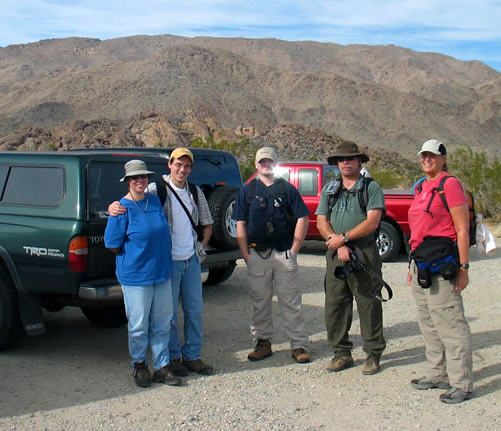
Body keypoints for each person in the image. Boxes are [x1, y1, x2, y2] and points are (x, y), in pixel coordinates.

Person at [109, 148, 215, 377]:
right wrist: (112, 207)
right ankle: (171, 358)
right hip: (167, 262)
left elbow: (207, 223)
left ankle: (192, 356)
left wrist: (200, 247)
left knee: (192, 311)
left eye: (187, 166)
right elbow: (131, 199)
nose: (182, 169)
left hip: (190, 260)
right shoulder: (156, 191)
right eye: (178, 164)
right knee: (168, 318)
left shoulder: (194, 192)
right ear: (170, 165)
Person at [104, 159, 182, 388]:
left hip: (161, 272)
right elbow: (112, 244)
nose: (140, 180)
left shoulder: (154, 200)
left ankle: (161, 366)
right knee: (138, 324)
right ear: (128, 181)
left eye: (143, 176)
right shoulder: (120, 209)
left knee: (163, 322)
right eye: (135, 178)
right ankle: (139, 364)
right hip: (136, 276)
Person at [406, 139, 473, 404]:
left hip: (443, 265)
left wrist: (464, 267)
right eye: (423, 155)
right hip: (420, 263)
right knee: (429, 323)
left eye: (432, 155)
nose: (427, 159)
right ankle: (437, 373)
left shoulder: (450, 185)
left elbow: (462, 229)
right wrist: (411, 264)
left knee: (450, 323)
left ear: (443, 158)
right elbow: (418, 230)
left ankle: (462, 383)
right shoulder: (421, 187)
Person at [232, 147, 311, 363]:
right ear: (256, 164)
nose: (266, 165)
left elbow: (303, 217)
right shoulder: (246, 191)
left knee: (291, 301)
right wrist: (245, 254)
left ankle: (299, 344)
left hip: (284, 253)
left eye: (270, 161)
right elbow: (239, 222)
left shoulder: (287, 190)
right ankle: (263, 342)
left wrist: (294, 249)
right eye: (262, 161)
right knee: (260, 301)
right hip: (257, 254)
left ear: (275, 163)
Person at [315, 141, 386, 374]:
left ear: (359, 162)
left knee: (368, 303)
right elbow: (321, 220)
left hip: (363, 253)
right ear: (336, 164)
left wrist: (343, 239)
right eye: (341, 159)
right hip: (336, 252)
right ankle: (341, 353)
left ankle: (372, 354)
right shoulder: (330, 189)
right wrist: (336, 241)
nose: (346, 162)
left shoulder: (370, 188)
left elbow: (372, 222)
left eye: (350, 158)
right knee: (335, 304)